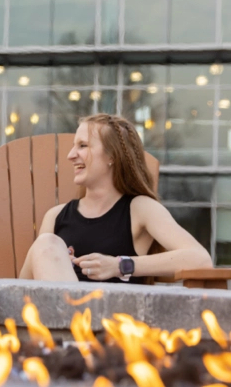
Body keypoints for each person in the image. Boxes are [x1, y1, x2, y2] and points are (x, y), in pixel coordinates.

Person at [19, 113, 212, 283]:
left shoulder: (139, 209)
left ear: (112, 155)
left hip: (115, 320)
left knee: (46, 244)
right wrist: (56, 261)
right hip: (56, 318)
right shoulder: (56, 216)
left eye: (83, 145)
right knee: (46, 245)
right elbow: (26, 289)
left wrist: (119, 265)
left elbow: (200, 259)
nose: (70, 155)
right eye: (73, 146)